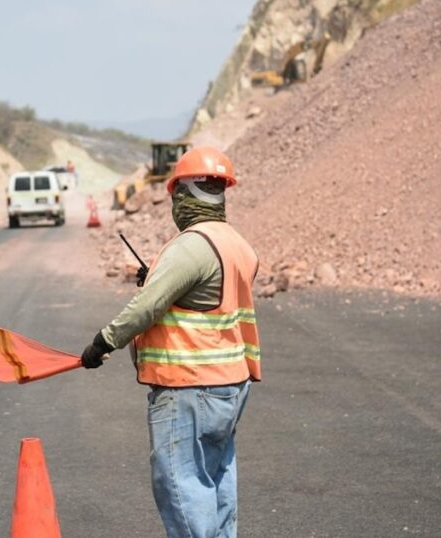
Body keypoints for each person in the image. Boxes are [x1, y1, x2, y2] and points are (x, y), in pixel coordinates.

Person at [81, 146, 261, 538]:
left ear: (183, 194)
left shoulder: (192, 245)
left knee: (181, 484)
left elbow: (147, 307)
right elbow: (205, 301)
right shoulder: (237, 244)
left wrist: (102, 343)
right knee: (215, 476)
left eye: (176, 194)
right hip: (230, 382)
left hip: (190, 385)